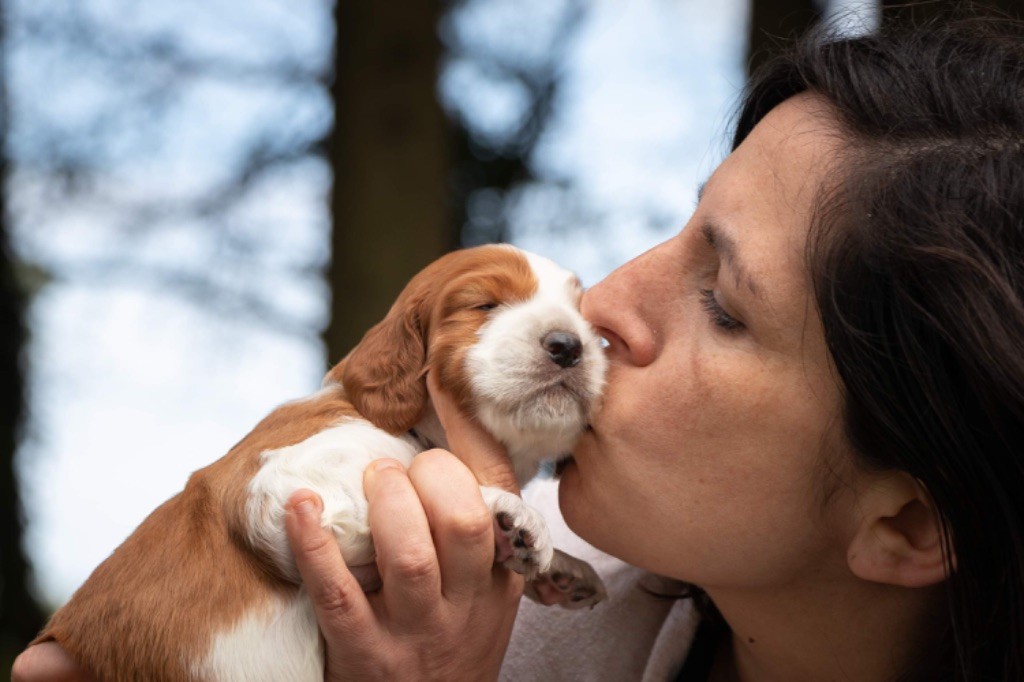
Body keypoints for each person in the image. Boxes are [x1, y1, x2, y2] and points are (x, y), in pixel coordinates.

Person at [14, 14, 1024, 681]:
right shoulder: (500, 586)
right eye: (674, 231)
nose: (606, 305)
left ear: (904, 525)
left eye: (720, 302)